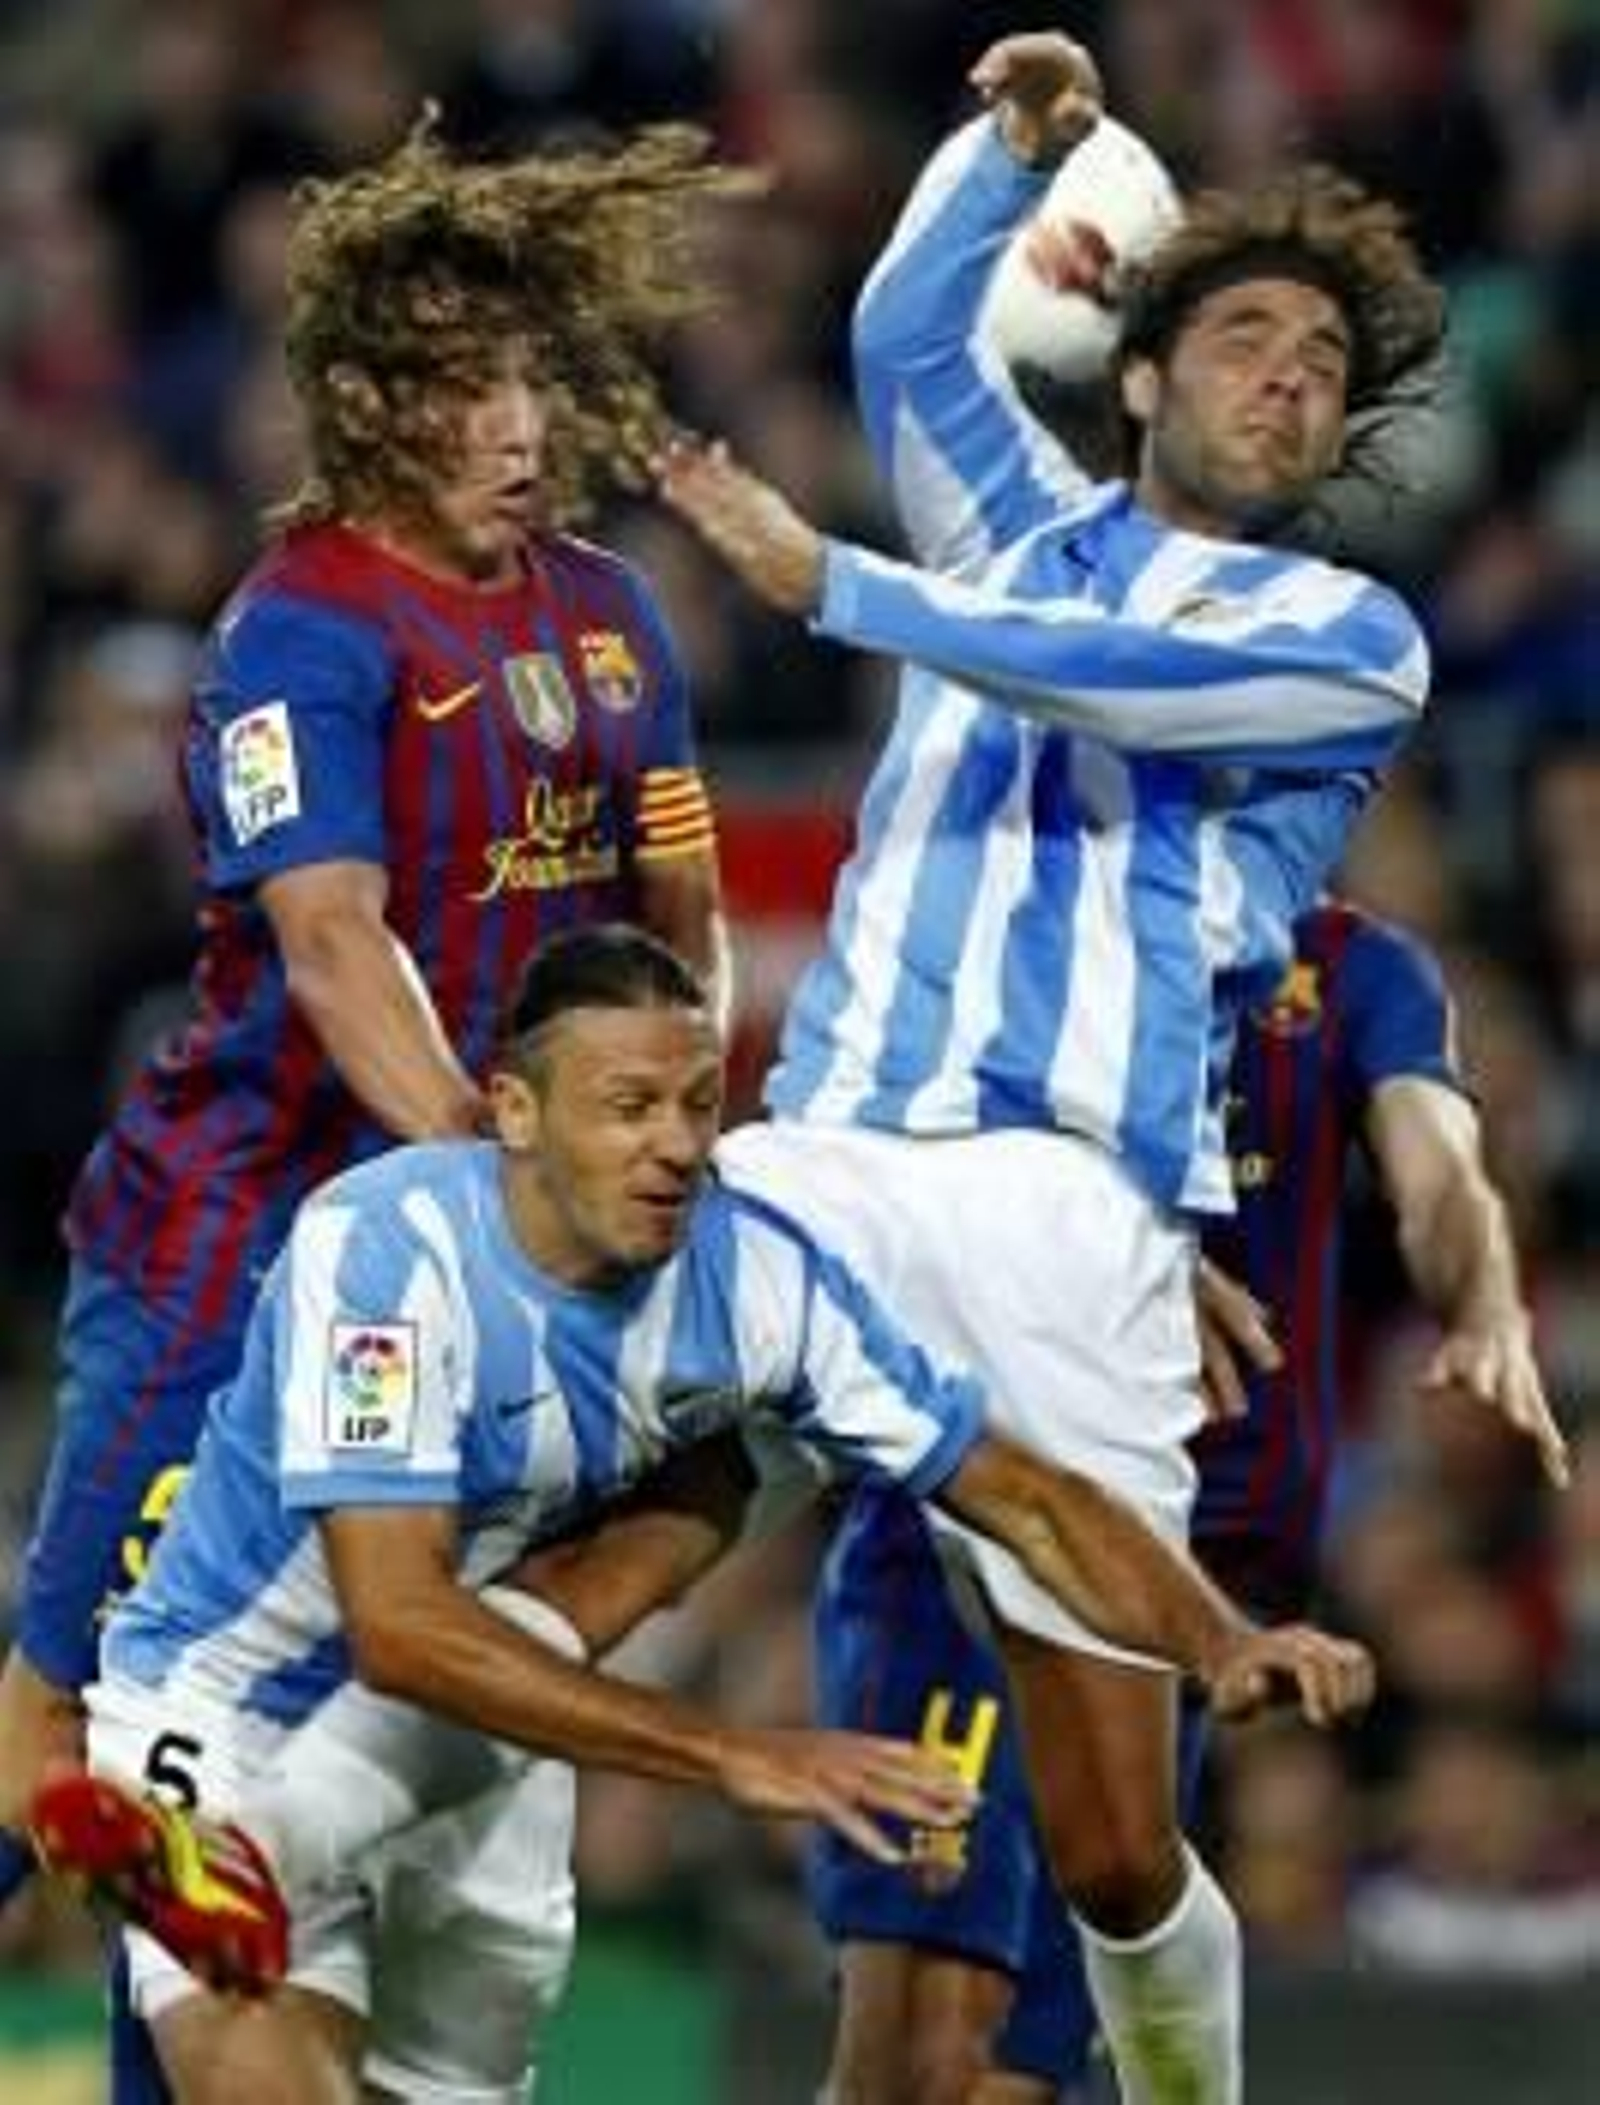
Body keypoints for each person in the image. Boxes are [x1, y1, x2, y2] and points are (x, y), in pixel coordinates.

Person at [654, 29, 1450, 2104]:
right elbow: (905, 332)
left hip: (1077, 1201)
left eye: (1318, 367)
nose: (1288, 376)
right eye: (1246, 334)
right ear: (1135, 370)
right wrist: (1015, 153)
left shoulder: (1340, 633)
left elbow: (1099, 670)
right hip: (834, 1144)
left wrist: (830, 583)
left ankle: (1187, 2080)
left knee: (1109, 1840)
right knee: (589, 1405)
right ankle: (285, 1731)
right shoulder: (1002, 519)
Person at [29, 925, 1374, 2105]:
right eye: (627, 1107)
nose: (676, 1144)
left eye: (696, 1100)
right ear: (512, 1111)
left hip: (500, 1733)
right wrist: (739, 1755)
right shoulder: (387, 1254)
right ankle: (211, 1859)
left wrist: (1216, 1639)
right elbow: (398, 1626)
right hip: (233, 1718)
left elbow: (1024, 1494)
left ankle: (240, 1858)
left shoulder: (756, 1279)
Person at [0, 115, 736, 2101]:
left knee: (279, 1766)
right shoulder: (297, 634)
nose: (506, 421)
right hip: (232, 1239)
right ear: (363, 406)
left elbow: (677, 901)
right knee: (66, 1717)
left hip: (458, 1265)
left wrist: (681, 1119)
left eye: (518, 374)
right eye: (454, 387)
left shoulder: (609, 618)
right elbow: (334, 946)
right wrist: (493, 1191)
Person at [809, 899, 1569, 2105]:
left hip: (1196, 1556)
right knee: (921, 2041)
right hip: (978, 1513)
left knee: (1024, 2031)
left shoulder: (1355, 971)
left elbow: (1439, 1174)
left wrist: (1482, 1294)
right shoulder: (1021, 938)